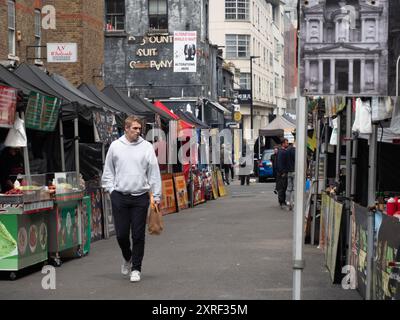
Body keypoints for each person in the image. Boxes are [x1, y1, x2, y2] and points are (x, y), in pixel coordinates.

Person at [102, 116, 161, 283]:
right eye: (134, 128)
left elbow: (154, 173)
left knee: (138, 235)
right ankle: (127, 257)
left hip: (140, 197)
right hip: (120, 196)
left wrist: (156, 196)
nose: (138, 131)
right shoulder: (115, 146)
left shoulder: (147, 147)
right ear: (126, 128)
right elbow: (108, 171)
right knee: (121, 235)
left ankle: (136, 268)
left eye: (139, 128)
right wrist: (111, 190)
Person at [275, 138, 289, 209]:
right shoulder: (281, 152)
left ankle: (283, 201)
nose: (288, 144)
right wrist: (282, 172)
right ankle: (281, 202)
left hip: (282, 172)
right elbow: (280, 163)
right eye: (286, 143)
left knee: (283, 187)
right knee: (282, 188)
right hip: (282, 173)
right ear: (283, 143)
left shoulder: (282, 151)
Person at [285, 143, 296, 211]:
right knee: (294, 188)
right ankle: (294, 203)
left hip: (288, 172)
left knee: (289, 188)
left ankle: (288, 203)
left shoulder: (287, 151)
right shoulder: (295, 151)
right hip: (295, 171)